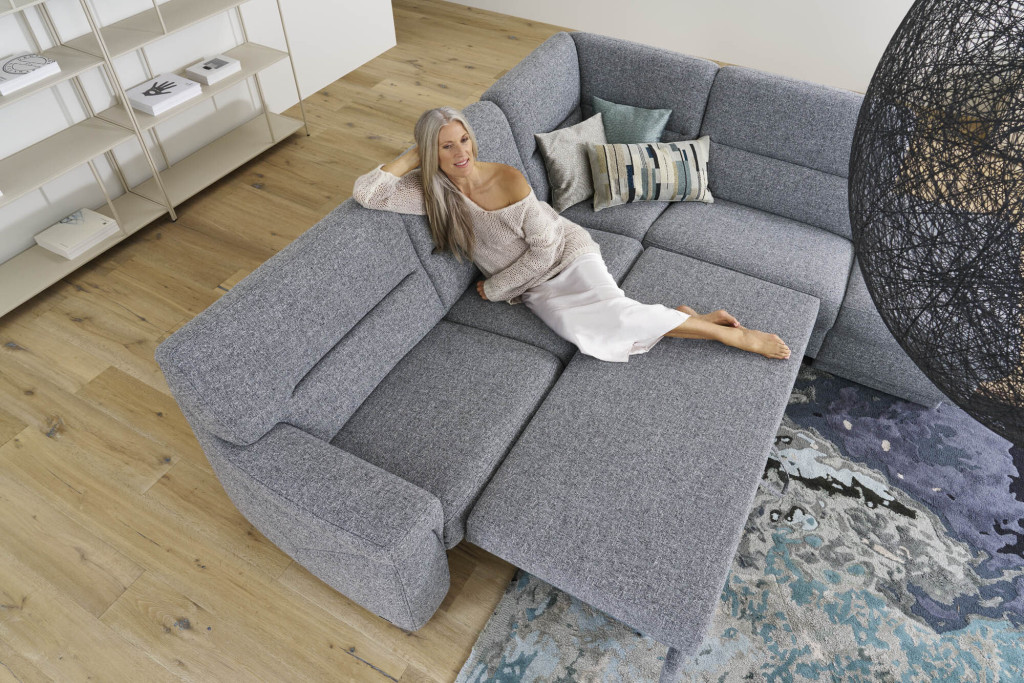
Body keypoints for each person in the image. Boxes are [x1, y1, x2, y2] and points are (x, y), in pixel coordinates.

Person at [352, 106, 791, 362]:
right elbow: (368, 193)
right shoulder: (430, 192)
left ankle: (732, 335)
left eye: (463, 140)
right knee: (590, 337)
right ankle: (688, 318)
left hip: (565, 255)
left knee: (615, 316)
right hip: (533, 288)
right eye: (446, 146)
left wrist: (497, 287)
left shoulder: (507, 180)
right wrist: (414, 156)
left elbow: (544, 249)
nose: (460, 152)